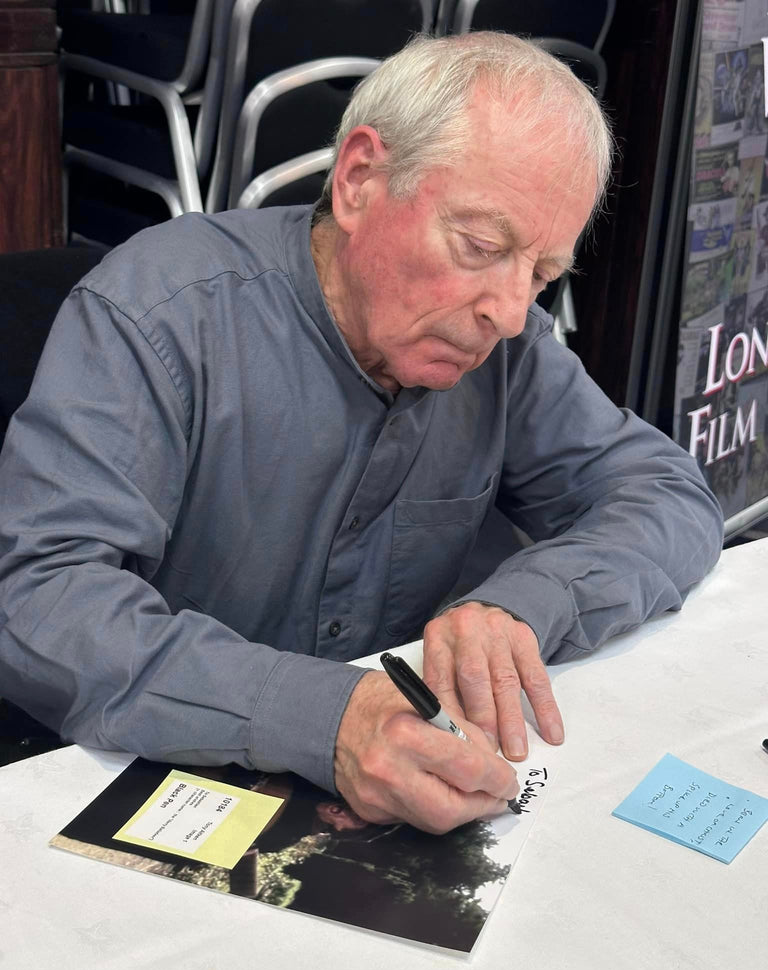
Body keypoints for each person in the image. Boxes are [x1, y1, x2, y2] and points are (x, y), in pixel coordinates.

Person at [0, 33, 723, 834]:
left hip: (394, 804)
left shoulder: (504, 350)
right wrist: (325, 716)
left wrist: (529, 600)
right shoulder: (161, 315)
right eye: (481, 248)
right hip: (151, 790)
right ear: (359, 181)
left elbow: (665, 492)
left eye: (544, 273)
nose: (512, 311)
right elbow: (39, 599)